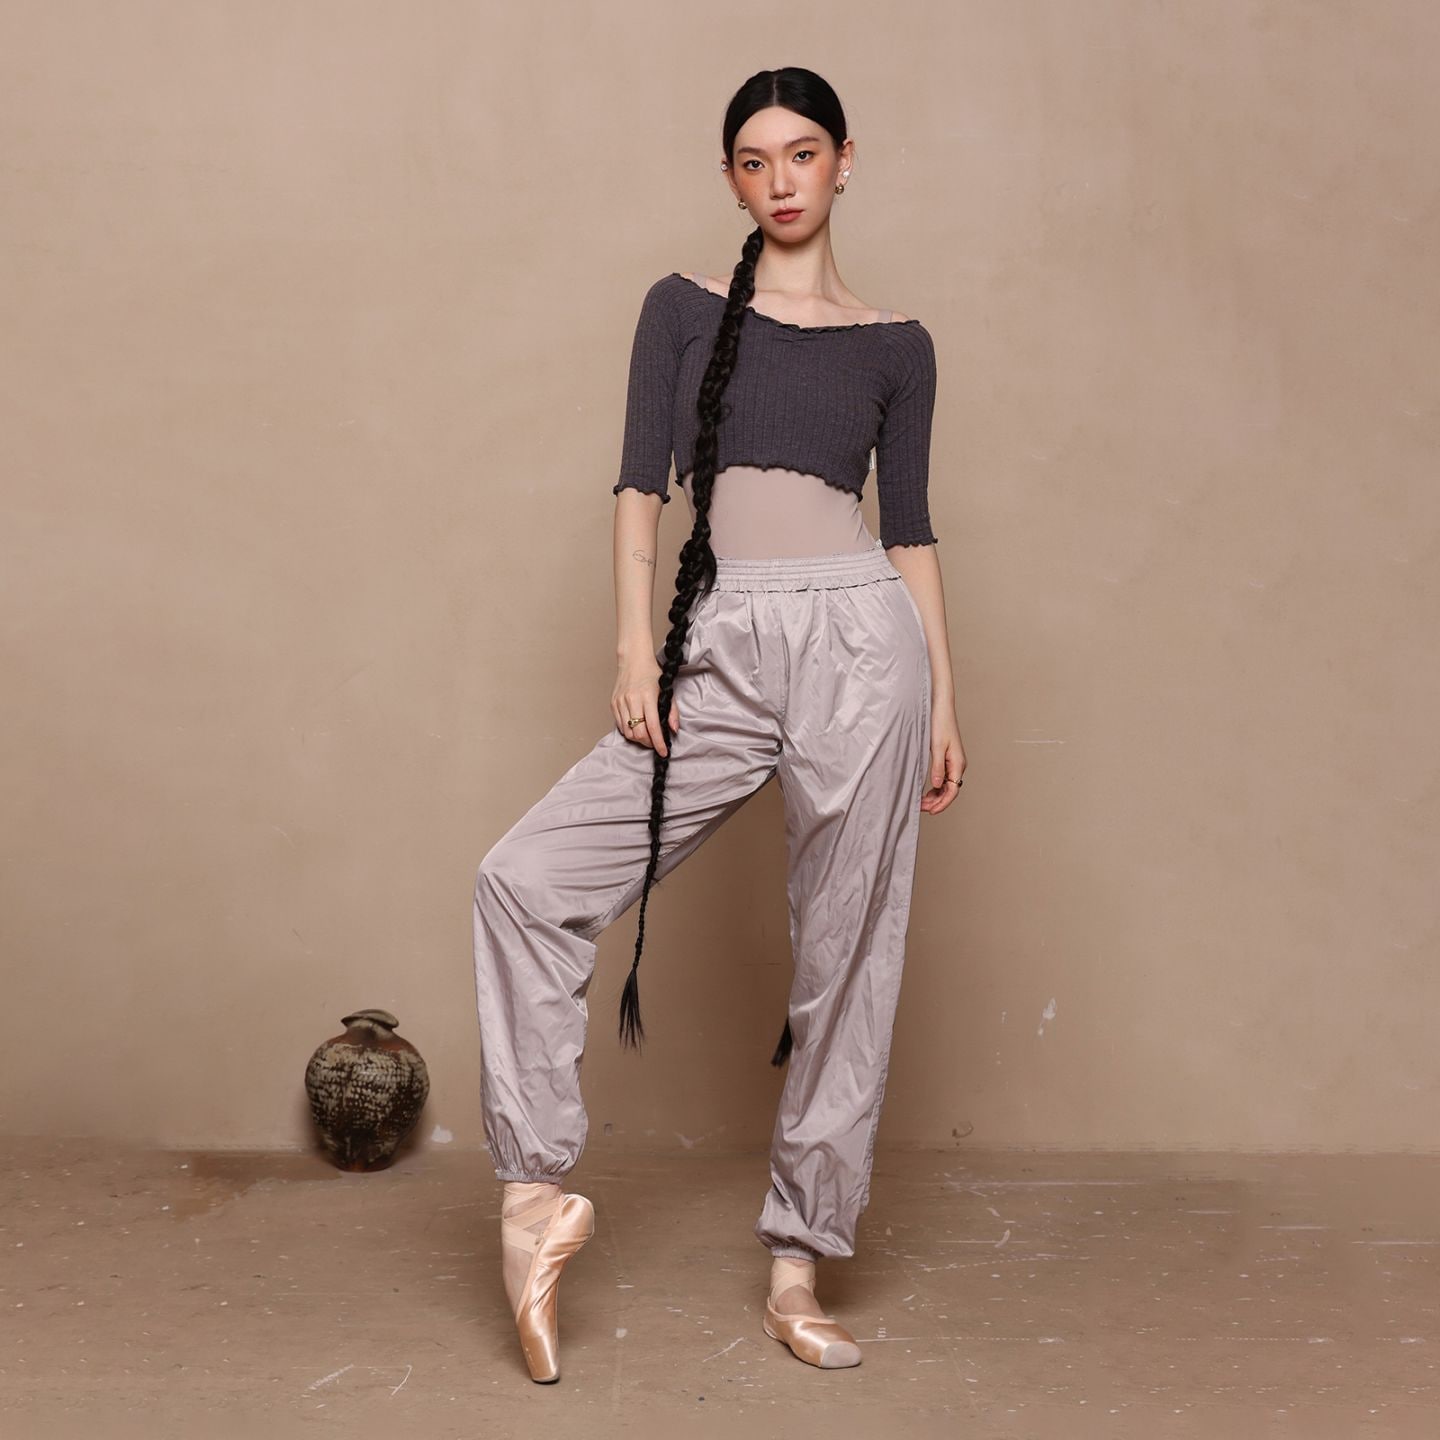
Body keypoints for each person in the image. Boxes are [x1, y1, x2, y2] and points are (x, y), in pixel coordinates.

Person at [473, 66, 967, 1383]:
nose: (782, 179)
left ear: (845, 160)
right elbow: (640, 486)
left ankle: (799, 1264)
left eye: (803, 153)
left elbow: (911, 530)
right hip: (723, 640)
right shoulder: (685, 310)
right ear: (734, 181)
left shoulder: (898, 345)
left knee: (845, 959)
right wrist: (636, 648)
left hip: (866, 650)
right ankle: (533, 1199)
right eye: (755, 160)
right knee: (525, 880)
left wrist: (945, 696)